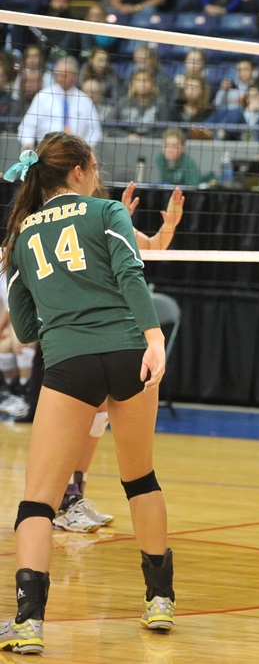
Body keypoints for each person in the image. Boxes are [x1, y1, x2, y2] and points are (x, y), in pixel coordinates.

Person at [0, 132, 174, 655]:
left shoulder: (21, 233)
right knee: (140, 478)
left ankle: (28, 623)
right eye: (93, 167)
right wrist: (154, 337)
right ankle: (160, 600)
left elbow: (26, 328)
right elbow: (130, 274)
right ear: (77, 171)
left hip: (70, 363)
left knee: (38, 500)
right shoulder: (105, 212)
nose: (96, 175)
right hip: (128, 352)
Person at [55, 181, 185, 534]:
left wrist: (169, 225)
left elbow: (155, 245)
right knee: (79, 425)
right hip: (79, 337)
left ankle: (72, 499)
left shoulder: (111, 219)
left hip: (110, 337)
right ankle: (59, 501)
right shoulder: (68, 225)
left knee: (97, 423)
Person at [18, 56, 102, 150]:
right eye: (58, 74)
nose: (60, 78)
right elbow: (26, 126)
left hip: (76, 152)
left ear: (74, 76)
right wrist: (28, 142)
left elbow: (95, 131)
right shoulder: (43, 96)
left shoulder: (85, 100)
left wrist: (85, 148)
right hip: (47, 151)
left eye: (64, 75)